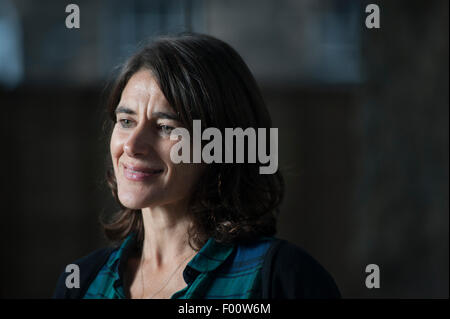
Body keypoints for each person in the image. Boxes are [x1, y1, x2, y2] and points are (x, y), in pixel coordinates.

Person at [52, 33, 341, 299]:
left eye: (166, 127)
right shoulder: (80, 283)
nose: (132, 145)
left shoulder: (284, 280)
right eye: (126, 122)